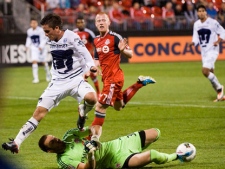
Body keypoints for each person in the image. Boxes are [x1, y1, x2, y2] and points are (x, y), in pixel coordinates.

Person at [2, 13, 98, 154]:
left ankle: (83, 111)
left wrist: (90, 67)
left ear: (57, 28)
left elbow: (85, 53)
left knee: (92, 98)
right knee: (39, 112)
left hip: (76, 78)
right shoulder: (49, 37)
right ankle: (16, 142)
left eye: (47, 31)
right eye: (44, 31)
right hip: (58, 82)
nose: (45, 34)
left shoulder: (71, 36)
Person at [77, 12, 156, 143]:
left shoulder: (115, 37)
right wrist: (89, 71)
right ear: (96, 24)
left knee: (100, 107)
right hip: (107, 79)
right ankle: (139, 83)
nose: (101, 22)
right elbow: (96, 61)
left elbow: (130, 54)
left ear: (109, 23)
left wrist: (122, 50)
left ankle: (93, 138)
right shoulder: (96, 40)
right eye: (98, 20)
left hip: (114, 79)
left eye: (103, 20)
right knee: (119, 106)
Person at [38, 126, 187, 168]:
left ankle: (137, 156)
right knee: (153, 154)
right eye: (53, 142)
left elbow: (96, 127)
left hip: (116, 145)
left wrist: (95, 138)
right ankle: (177, 156)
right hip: (114, 161)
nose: (57, 140)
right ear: (50, 151)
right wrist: (91, 154)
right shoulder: (64, 161)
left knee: (156, 133)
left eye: (54, 137)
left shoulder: (70, 135)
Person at [189, 5, 225, 102]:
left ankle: (220, 89)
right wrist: (193, 43)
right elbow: (196, 37)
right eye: (199, 11)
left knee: (205, 71)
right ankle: (220, 95)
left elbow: (223, 32)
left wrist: (218, 41)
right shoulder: (196, 24)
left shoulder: (212, 23)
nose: (201, 13)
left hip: (212, 50)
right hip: (204, 52)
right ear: (197, 13)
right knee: (211, 73)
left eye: (203, 11)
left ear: (206, 12)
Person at [73, 16, 101, 97]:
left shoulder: (89, 33)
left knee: (93, 75)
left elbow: (95, 45)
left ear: (84, 23)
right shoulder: (73, 33)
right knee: (79, 76)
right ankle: (82, 94)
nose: (80, 24)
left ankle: (98, 93)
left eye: (82, 22)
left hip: (89, 59)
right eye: (78, 22)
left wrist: (88, 54)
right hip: (78, 60)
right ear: (76, 24)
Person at [25, 18, 51, 83]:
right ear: (30, 24)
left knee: (43, 62)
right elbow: (29, 39)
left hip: (41, 48)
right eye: (32, 23)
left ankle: (48, 75)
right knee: (34, 61)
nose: (33, 24)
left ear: (37, 23)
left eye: (35, 23)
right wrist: (27, 46)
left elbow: (44, 39)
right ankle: (36, 78)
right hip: (34, 48)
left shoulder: (41, 30)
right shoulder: (29, 31)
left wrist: (41, 46)